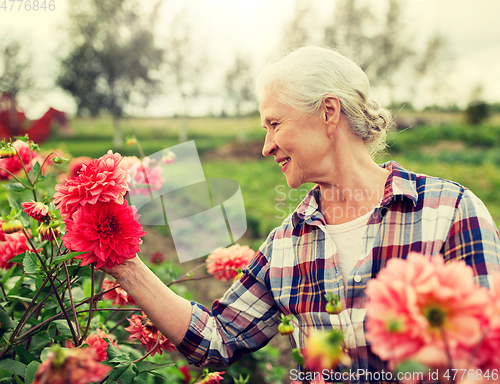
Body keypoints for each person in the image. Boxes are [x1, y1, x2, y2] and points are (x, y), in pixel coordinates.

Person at [105, 46, 500, 383]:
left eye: (274, 123)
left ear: (329, 112)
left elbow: (488, 356)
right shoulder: (287, 244)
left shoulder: (449, 212)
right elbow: (217, 338)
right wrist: (126, 267)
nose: (266, 146)